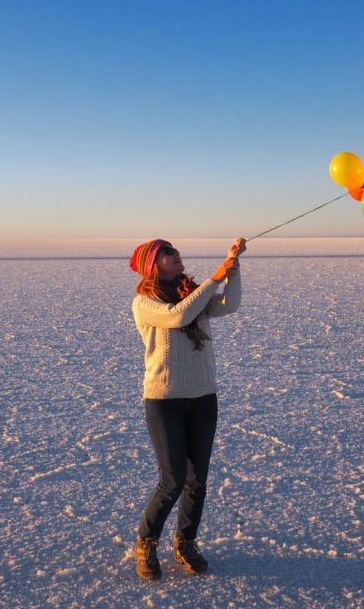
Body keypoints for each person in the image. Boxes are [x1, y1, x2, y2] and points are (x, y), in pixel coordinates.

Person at [129, 236, 246, 581]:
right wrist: (214, 277)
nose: (176, 254)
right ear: (152, 264)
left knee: (198, 480)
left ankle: (186, 542)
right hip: (164, 399)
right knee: (173, 480)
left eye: (174, 249)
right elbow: (179, 316)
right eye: (166, 252)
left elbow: (229, 304)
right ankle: (146, 542)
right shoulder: (145, 302)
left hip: (203, 397)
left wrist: (232, 269)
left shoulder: (191, 294)